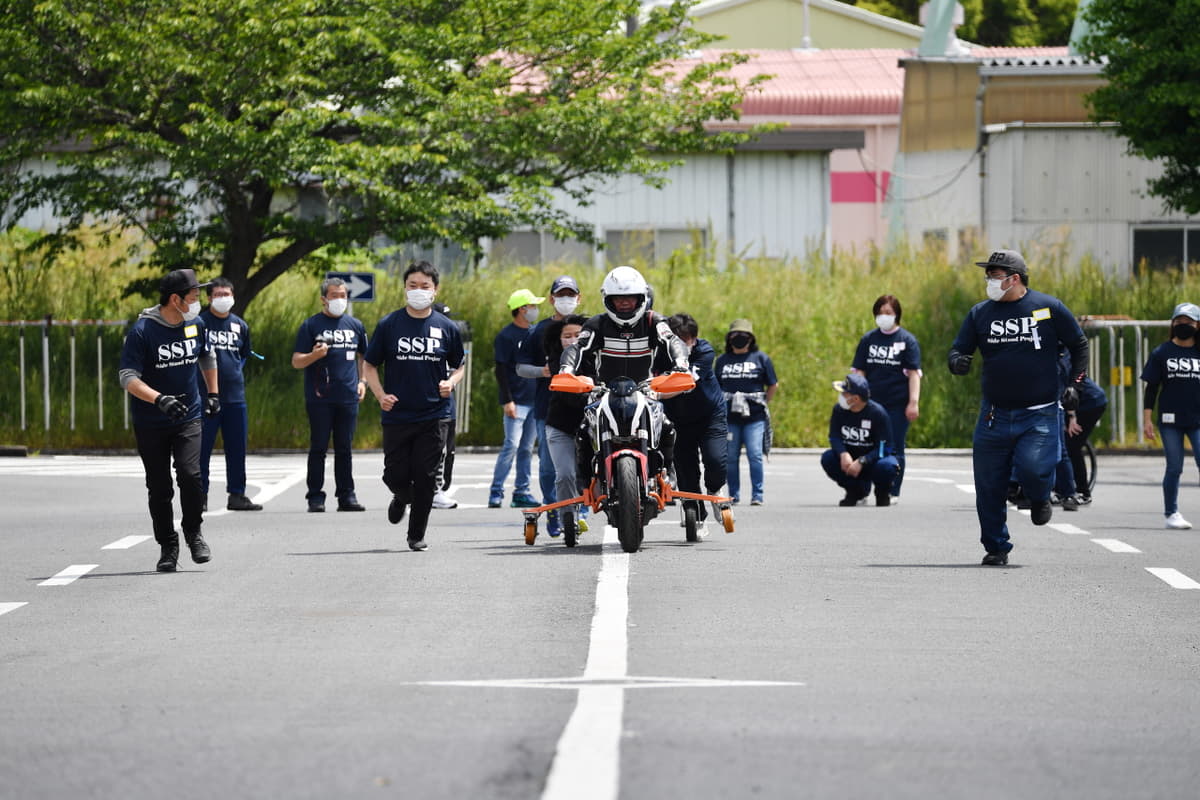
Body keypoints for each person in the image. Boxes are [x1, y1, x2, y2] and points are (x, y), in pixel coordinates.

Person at [949, 248, 1089, 566]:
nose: (989, 281)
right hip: (993, 414)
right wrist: (957, 361)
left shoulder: (1048, 308)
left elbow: (1079, 345)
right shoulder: (980, 314)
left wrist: (1074, 386)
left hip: (1038, 413)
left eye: (995, 276)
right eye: (987, 276)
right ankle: (996, 546)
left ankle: (1039, 496)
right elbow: (959, 349)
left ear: (1014, 279)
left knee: (1034, 469)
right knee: (988, 485)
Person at [118, 268, 219, 572]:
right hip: (151, 420)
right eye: (194, 296)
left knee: (191, 475)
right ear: (175, 300)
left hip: (189, 416)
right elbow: (127, 377)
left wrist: (213, 393)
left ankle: (193, 531)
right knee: (160, 487)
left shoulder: (195, 324)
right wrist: (159, 399)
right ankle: (168, 545)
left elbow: (206, 356)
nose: (198, 302)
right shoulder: (143, 332)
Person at [363, 261, 465, 551]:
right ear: (404, 288)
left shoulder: (446, 327)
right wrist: (380, 395)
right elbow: (369, 365)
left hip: (435, 414)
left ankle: (416, 535)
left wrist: (452, 382)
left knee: (426, 476)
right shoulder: (389, 325)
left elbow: (459, 365)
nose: (418, 291)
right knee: (394, 474)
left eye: (425, 286)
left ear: (435, 290)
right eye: (413, 286)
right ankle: (401, 497)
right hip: (398, 414)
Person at [560, 265, 690, 487]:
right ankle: (585, 480)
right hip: (605, 391)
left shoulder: (654, 321)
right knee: (583, 430)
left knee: (667, 426)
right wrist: (566, 370)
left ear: (641, 298)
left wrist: (681, 365)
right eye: (618, 299)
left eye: (630, 298)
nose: (624, 303)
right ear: (608, 300)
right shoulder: (597, 324)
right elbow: (578, 347)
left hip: (644, 389)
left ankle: (668, 471)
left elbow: (672, 341)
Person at [291, 277, 368, 513]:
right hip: (320, 397)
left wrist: (363, 381)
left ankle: (347, 495)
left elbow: (365, 356)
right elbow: (296, 361)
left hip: (348, 396)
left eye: (343, 295)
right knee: (319, 447)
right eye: (334, 295)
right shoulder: (311, 326)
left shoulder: (355, 325)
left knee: (344, 448)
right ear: (324, 299)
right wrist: (314, 356)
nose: (339, 300)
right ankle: (315, 496)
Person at [516, 275, 583, 534]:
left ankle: (579, 509)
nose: (566, 300)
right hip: (549, 407)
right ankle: (553, 508)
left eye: (571, 295)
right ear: (552, 298)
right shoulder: (538, 331)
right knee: (548, 466)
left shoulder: (589, 328)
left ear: (579, 298)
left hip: (585, 407)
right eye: (561, 295)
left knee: (582, 462)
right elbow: (520, 367)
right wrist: (542, 372)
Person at [198, 277, 261, 512]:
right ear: (209, 298)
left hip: (235, 397)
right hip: (205, 396)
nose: (223, 298)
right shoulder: (199, 323)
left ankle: (237, 494)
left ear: (233, 297)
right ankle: (200, 495)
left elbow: (244, 356)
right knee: (201, 449)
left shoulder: (240, 325)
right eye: (218, 294)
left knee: (237, 448)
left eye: (227, 294)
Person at [851, 294, 921, 503]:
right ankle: (862, 490)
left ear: (897, 315)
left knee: (894, 447)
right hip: (871, 404)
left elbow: (914, 374)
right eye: (880, 313)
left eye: (888, 313)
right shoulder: (868, 340)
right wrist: (857, 398)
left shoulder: (907, 341)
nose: (884, 317)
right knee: (864, 446)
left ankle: (892, 490)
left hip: (897, 405)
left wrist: (913, 402)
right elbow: (859, 371)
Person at [662, 313, 728, 533]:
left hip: (710, 416)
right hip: (678, 420)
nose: (684, 344)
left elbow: (684, 382)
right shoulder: (660, 354)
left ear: (694, 339)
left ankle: (715, 490)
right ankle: (695, 512)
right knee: (685, 469)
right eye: (678, 339)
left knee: (715, 459)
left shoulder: (704, 352)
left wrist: (656, 392)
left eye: (687, 339)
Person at [1140, 302, 1200, 530]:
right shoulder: (1162, 352)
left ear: (1197, 325)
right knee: (1174, 467)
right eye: (1180, 321)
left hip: (1197, 418)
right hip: (1170, 419)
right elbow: (1151, 389)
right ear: (1173, 323)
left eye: (1189, 321)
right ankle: (1171, 513)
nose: (1184, 325)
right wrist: (1147, 421)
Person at [487, 288, 543, 509]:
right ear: (522, 309)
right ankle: (496, 492)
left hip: (534, 398)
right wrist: (507, 400)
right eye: (532, 306)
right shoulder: (505, 336)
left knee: (527, 448)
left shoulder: (535, 333)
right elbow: (500, 370)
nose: (535, 310)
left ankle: (521, 491)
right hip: (516, 401)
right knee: (510, 445)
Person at [714, 319, 778, 505]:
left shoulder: (761, 358)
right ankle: (734, 494)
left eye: (744, 335)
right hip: (730, 417)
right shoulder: (722, 361)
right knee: (731, 457)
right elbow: (716, 387)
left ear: (751, 339)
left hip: (754, 416)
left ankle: (757, 494)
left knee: (755, 454)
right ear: (729, 338)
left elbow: (773, 384)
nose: (739, 338)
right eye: (735, 335)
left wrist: (764, 401)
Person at [542, 314, 591, 541]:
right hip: (560, 427)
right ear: (559, 339)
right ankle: (567, 519)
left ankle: (585, 511)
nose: (572, 340)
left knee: (588, 475)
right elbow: (567, 394)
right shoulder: (557, 362)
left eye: (577, 335)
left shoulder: (597, 357)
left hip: (592, 427)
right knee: (565, 475)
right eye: (566, 336)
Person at [820, 374, 899, 506]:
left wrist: (863, 461)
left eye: (845, 394)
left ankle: (882, 492)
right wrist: (842, 453)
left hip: (873, 460)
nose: (841, 396)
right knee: (828, 458)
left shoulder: (878, 414)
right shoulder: (839, 410)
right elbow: (834, 436)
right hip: (850, 459)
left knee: (887, 466)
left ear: (855, 398)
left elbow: (884, 448)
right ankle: (855, 491)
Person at [430, 302, 468, 510]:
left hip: (447, 402)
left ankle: (440, 489)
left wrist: (451, 381)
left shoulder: (451, 338)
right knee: (428, 448)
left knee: (446, 449)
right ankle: (426, 488)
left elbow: (460, 367)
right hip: (424, 402)